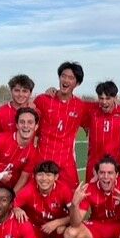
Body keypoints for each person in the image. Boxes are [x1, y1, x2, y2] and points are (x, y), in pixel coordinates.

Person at [33, 61, 86, 190]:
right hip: (43, 158)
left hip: (66, 162)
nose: (66, 80)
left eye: (71, 78)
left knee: (73, 199)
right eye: (63, 76)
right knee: (38, 197)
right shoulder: (43, 100)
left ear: (77, 83)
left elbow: (100, 114)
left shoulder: (80, 106)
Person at [13, 161, 73, 238]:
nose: (44, 179)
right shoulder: (29, 189)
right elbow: (13, 204)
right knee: (20, 225)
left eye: (49, 175)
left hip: (56, 228)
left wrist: (58, 222)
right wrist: (17, 209)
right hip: (36, 226)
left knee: (62, 230)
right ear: (35, 176)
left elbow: (74, 216)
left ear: (56, 177)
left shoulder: (64, 189)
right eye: (40, 174)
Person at [83, 81, 120, 182]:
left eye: (108, 98)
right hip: (94, 164)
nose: (104, 102)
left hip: (116, 164)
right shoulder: (92, 109)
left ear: (115, 98)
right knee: (91, 195)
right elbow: (71, 101)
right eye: (101, 98)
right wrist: (54, 92)